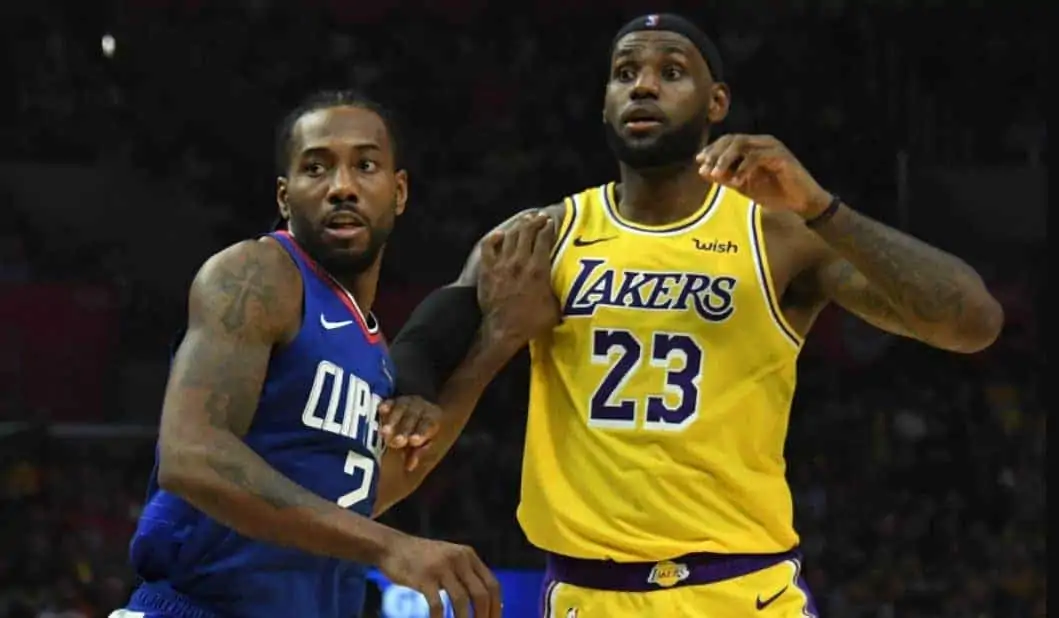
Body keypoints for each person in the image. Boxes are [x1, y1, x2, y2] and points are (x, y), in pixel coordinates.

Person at [388, 14, 1005, 617]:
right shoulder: (544, 237)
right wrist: (417, 388)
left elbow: (972, 323)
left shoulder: (778, 236)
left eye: (672, 71)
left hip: (744, 593)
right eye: (624, 73)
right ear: (604, 104)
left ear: (717, 103)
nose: (644, 85)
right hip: (589, 594)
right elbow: (422, 344)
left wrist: (821, 207)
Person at [110, 90, 522, 618]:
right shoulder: (259, 275)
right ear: (285, 198)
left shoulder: (371, 351)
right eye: (316, 168)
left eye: (365, 165)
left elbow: (374, 489)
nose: (342, 187)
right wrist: (390, 545)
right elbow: (190, 455)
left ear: (399, 192)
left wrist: (498, 341)